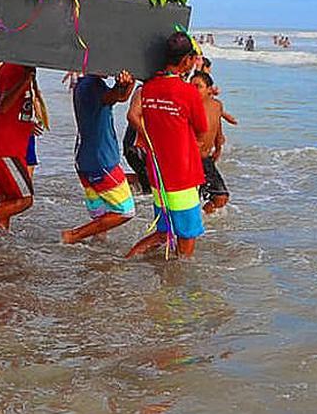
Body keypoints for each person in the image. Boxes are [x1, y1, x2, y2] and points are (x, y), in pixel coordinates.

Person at [126, 32, 208, 258]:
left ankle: (125, 262)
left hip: (157, 172)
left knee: (164, 231)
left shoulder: (148, 88)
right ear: (186, 61)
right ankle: (181, 284)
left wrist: (149, 136)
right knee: (187, 236)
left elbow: (132, 115)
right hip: (181, 173)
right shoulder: (188, 92)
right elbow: (202, 129)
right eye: (192, 58)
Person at [61, 71, 137, 244]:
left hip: (85, 158)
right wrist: (122, 84)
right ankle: (72, 236)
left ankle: (97, 259)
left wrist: (129, 81)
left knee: (101, 219)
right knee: (125, 211)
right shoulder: (91, 86)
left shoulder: (85, 83)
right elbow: (113, 97)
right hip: (101, 160)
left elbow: (120, 97)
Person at [0, 63, 36, 230]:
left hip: (6, 143)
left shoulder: (22, 68)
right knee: (25, 199)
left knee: (6, 199)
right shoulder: (14, 69)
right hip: (4, 147)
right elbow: (3, 105)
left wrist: (25, 123)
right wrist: (25, 80)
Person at [191, 72, 230, 213]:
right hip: (194, 159)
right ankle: (200, 220)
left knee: (206, 196)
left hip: (206, 158)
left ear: (209, 89)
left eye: (198, 86)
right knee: (220, 196)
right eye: (191, 86)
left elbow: (217, 128)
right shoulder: (189, 108)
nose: (193, 89)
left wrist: (218, 148)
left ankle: (200, 219)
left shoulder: (216, 105)